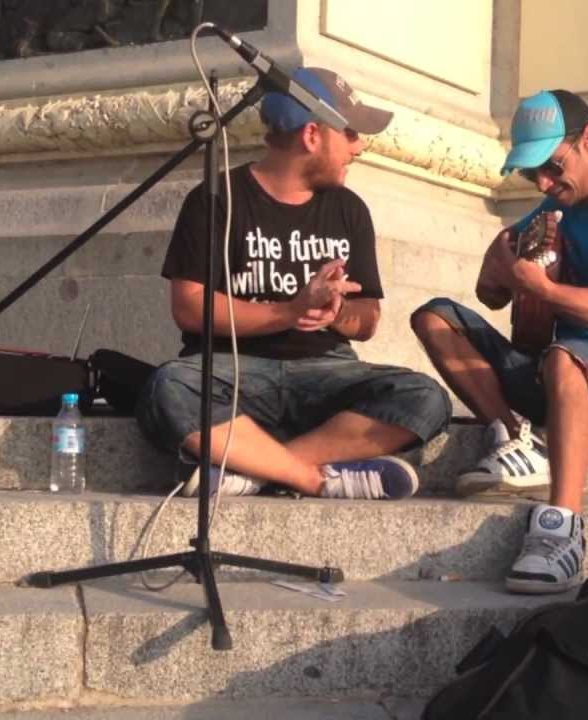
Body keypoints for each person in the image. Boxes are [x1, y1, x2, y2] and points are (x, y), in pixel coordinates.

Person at [137, 67, 452, 501]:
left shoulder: (349, 208)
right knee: (168, 387)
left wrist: (336, 312)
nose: (359, 147)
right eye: (350, 132)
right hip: (236, 372)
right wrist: (291, 310)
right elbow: (190, 308)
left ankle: (255, 468)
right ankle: (312, 478)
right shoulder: (216, 197)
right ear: (312, 135)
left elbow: (368, 320)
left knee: (425, 397)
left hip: (326, 371)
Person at [411, 89, 588, 593]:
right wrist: (499, 268)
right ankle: (515, 436)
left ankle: (563, 529)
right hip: (557, 369)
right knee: (435, 319)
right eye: (533, 173)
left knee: (564, 358)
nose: (544, 182)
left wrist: (544, 290)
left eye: (553, 167)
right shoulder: (554, 205)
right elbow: (491, 296)